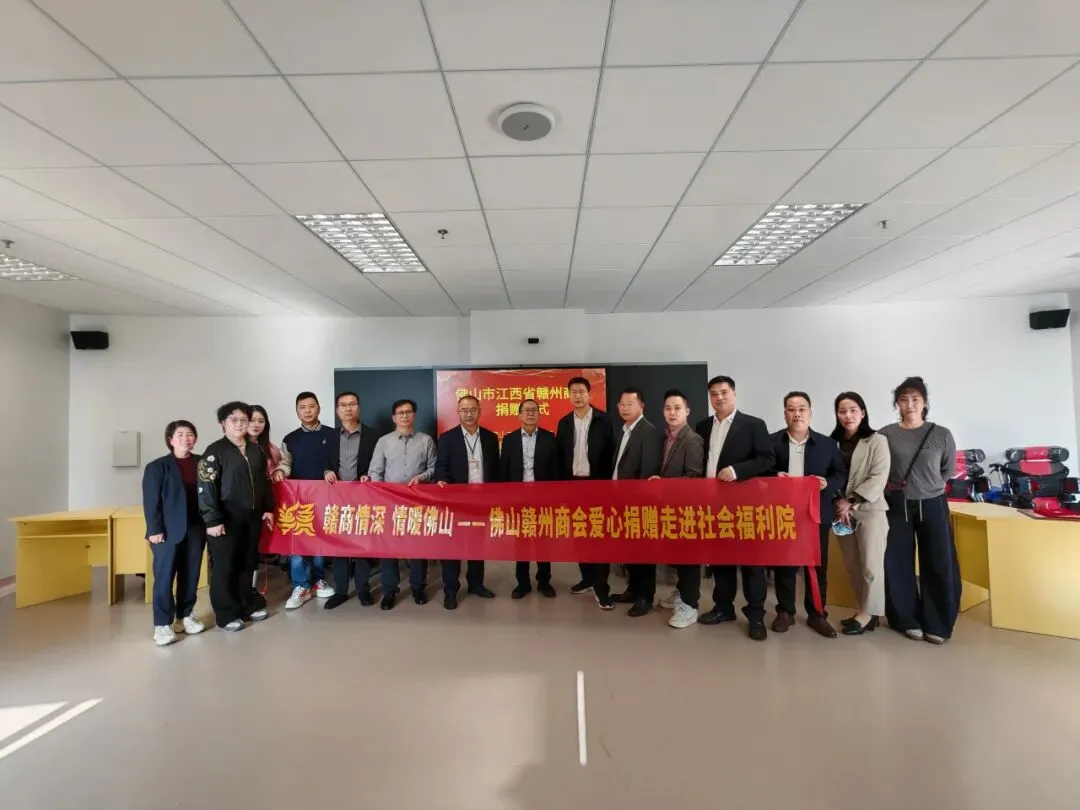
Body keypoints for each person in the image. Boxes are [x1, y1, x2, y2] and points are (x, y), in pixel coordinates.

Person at [695, 375, 775, 641]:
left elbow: (767, 459)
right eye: (714, 394)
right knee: (721, 560)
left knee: (752, 563)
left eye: (724, 392)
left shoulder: (753, 424)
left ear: (734, 393)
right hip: (713, 505)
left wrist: (737, 470)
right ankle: (723, 607)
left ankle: (756, 615)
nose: (719, 398)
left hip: (745, 507)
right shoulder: (703, 426)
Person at [880, 377, 959, 644]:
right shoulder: (886, 434)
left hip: (933, 503)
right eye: (904, 400)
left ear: (924, 402)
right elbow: (880, 469)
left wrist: (928, 485)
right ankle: (906, 619)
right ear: (897, 404)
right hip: (897, 505)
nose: (910, 405)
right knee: (898, 562)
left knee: (938, 561)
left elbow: (948, 470)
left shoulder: (941, 434)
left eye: (915, 399)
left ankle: (938, 623)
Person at [769, 392, 847, 639]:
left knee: (817, 564)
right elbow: (761, 470)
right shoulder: (772, 442)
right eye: (791, 409)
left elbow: (840, 474)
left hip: (815, 513)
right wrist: (774, 476)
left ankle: (817, 613)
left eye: (802, 409)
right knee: (785, 563)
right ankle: (785, 611)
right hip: (783, 513)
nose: (797, 414)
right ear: (785, 414)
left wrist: (828, 483)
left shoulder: (827, 444)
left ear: (810, 413)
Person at [197, 402, 273, 632]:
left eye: (244, 420)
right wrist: (212, 520)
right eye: (234, 420)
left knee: (248, 562)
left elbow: (264, 481)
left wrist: (268, 508)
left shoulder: (255, 450)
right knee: (225, 566)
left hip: (252, 517)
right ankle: (226, 613)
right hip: (225, 519)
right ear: (223, 423)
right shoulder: (214, 452)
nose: (239, 424)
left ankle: (247, 605)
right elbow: (205, 488)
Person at [360, 399, 438, 607]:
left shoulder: (426, 441)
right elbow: (375, 470)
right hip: (389, 504)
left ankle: (418, 587)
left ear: (414, 415)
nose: (404, 415)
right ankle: (389, 590)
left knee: (418, 548)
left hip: (417, 503)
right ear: (394, 417)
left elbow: (434, 468)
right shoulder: (384, 441)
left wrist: (421, 477)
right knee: (389, 549)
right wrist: (382, 494)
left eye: (408, 412)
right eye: (400, 413)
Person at [142, 420, 208, 646]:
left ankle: (185, 616)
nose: (185, 438)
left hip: (196, 527)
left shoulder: (202, 463)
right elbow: (151, 502)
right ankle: (162, 624)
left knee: (191, 574)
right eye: (180, 434)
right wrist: (154, 529)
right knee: (164, 576)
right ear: (170, 440)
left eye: (190, 434)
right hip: (166, 532)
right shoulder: (157, 467)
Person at [830, 392, 890, 636]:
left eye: (853, 410)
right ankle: (865, 611)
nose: (848, 415)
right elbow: (828, 475)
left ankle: (868, 614)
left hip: (869, 509)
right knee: (853, 565)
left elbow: (879, 477)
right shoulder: (831, 442)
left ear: (863, 413)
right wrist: (838, 502)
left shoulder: (877, 441)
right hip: (840, 512)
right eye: (842, 411)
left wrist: (850, 501)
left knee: (871, 566)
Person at [435, 395, 500, 609]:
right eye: (464, 410)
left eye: (473, 409)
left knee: (477, 544)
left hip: (481, 501)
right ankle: (450, 590)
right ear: (458, 412)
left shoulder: (490, 438)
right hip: (456, 501)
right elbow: (441, 467)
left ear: (479, 411)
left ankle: (476, 584)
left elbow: (495, 470)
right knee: (452, 546)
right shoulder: (447, 438)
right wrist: (443, 481)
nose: (469, 414)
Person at [555, 376, 616, 600]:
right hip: (573, 486)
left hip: (598, 485)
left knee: (599, 536)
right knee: (580, 534)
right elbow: (560, 455)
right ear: (568, 396)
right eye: (574, 392)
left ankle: (602, 588)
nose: (578, 396)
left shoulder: (604, 420)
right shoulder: (564, 423)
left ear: (590, 394)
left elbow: (613, 453)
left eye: (581, 391)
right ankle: (588, 579)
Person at [651, 390, 705, 629]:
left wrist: (663, 484)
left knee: (689, 558)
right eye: (668, 408)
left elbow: (694, 477)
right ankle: (681, 593)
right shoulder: (665, 437)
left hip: (687, 509)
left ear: (687, 411)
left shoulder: (692, 439)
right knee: (678, 556)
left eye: (677, 408)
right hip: (669, 508)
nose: (672, 413)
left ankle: (690, 606)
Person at [280, 391, 336, 610]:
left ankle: (318, 580)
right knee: (299, 541)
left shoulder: (332, 434)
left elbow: (338, 461)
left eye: (311, 406)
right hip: (298, 498)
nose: (307, 411)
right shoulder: (290, 439)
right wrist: (280, 472)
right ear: (297, 411)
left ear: (319, 408)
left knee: (320, 539)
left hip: (326, 496)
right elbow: (286, 462)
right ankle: (300, 585)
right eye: (302, 407)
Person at [609, 388, 662, 617]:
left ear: (641, 405)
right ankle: (632, 590)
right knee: (629, 552)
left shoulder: (648, 431)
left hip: (638, 505)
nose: (624, 408)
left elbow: (647, 471)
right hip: (620, 502)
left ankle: (645, 597)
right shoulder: (624, 430)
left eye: (630, 404)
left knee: (643, 553)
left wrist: (637, 505)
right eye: (621, 404)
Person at [324, 392, 379, 610]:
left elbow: (378, 463)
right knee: (339, 547)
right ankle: (340, 591)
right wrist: (326, 470)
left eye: (352, 404)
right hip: (336, 499)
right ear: (337, 410)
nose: (348, 408)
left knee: (363, 545)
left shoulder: (374, 435)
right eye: (343, 405)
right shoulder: (329, 436)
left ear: (359, 407)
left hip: (364, 498)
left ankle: (363, 589)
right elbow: (325, 461)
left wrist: (369, 475)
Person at [500, 398, 560, 599]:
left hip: (542, 499)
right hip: (518, 499)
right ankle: (523, 583)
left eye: (534, 410)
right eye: (526, 410)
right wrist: (506, 501)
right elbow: (504, 471)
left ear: (539, 414)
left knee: (543, 541)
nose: (530, 413)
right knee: (521, 542)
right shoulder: (509, 440)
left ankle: (544, 581)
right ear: (519, 415)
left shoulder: (549, 438)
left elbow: (555, 471)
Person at [248, 405, 291, 482]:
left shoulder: (272, 449)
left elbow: (285, 464)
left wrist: (280, 471)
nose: (256, 425)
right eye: (252, 420)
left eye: (261, 421)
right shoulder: (232, 447)